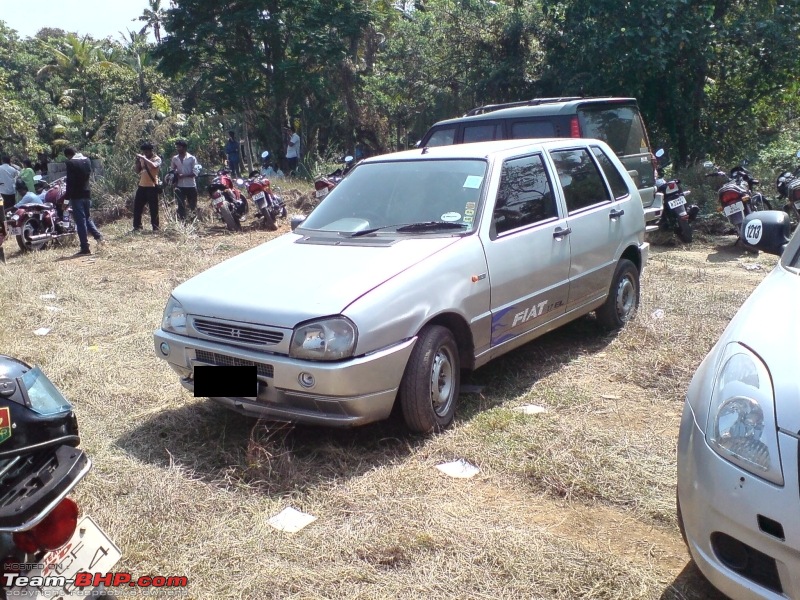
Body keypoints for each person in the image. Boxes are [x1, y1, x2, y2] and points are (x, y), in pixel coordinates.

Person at [64, 146, 103, 255]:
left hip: (77, 196)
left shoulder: (70, 163)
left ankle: (85, 247)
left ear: (68, 155)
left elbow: (70, 184)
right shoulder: (87, 160)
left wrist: (66, 201)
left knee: (80, 222)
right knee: (87, 218)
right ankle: (99, 238)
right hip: (87, 193)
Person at [133, 142, 162, 232]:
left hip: (152, 186)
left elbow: (154, 166)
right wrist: (138, 162)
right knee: (137, 207)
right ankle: (137, 226)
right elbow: (137, 171)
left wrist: (143, 158)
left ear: (151, 151)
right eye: (144, 151)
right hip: (142, 186)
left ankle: (155, 228)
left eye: (147, 151)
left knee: (153, 208)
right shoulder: (143, 159)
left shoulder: (157, 159)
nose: (145, 153)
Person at [170, 139, 198, 221]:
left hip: (191, 186)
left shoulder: (192, 158)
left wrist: (184, 175)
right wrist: (174, 174)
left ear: (184, 148)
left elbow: (195, 173)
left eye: (179, 147)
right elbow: (172, 169)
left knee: (192, 205)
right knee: (180, 205)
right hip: (180, 186)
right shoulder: (175, 158)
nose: (178, 149)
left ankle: (193, 222)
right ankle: (182, 223)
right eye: (177, 147)